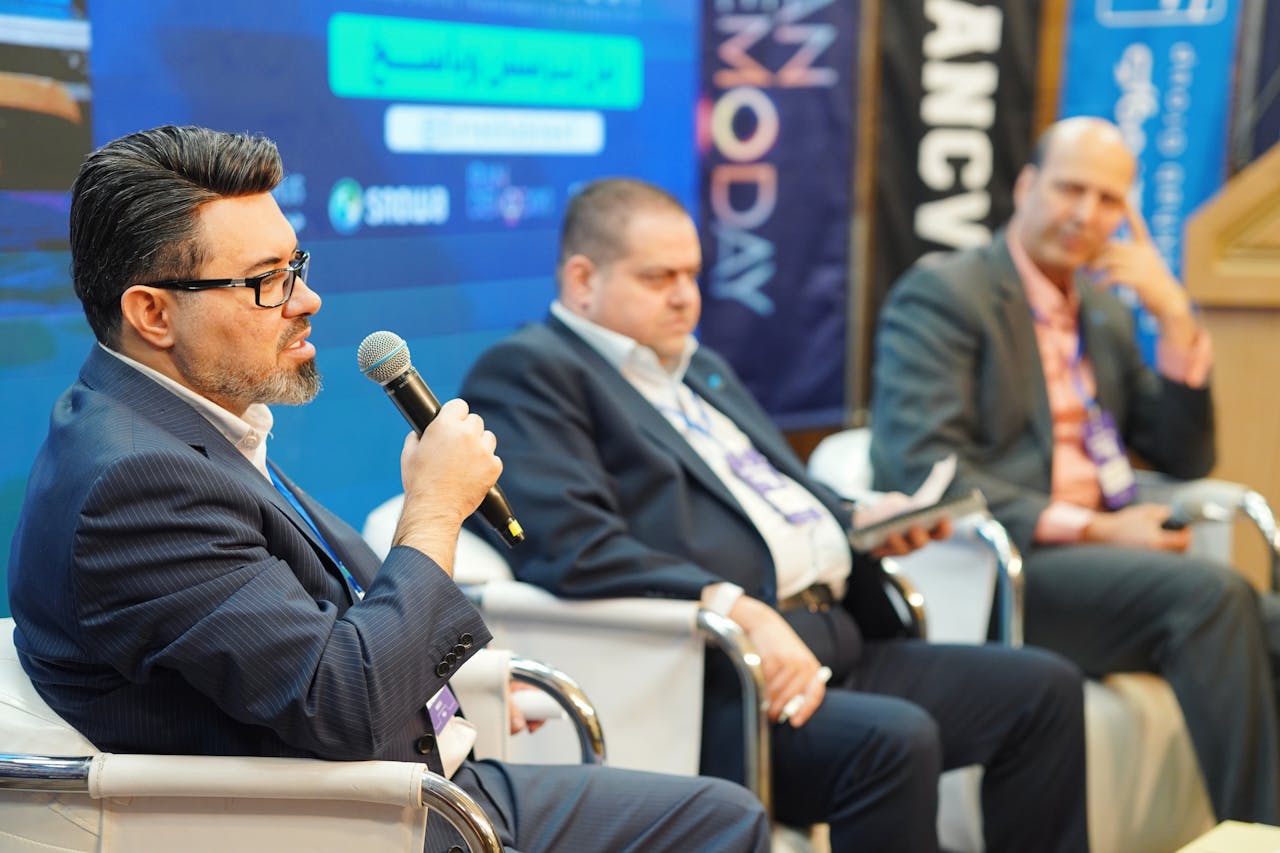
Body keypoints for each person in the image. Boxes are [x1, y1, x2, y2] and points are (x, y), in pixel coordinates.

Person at [6, 126, 772, 853]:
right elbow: (343, 702)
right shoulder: (135, 482)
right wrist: (434, 509)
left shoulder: (174, 422)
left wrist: (457, 703)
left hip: (405, 775)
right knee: (719, 819)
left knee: (711, 807)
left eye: (295, 266)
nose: (306, 301)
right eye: (267, 282)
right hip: (354, 819)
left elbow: (326, 619)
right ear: (152, 312)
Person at [459, 177, 1089, 852]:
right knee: (895, 740)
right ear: (583, 279)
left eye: (693, 274)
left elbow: (777, 495)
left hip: (835, 634)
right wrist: (738, 607)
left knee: (1042, 688)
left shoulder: (697, 369)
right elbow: (571, 545)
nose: (684, 295)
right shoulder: (530, 370)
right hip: (719, 672)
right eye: (658, 277)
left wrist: (865, 519)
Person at [870, 115, 1280, 824]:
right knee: (1212, 598)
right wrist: (1101, 530)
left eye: (1108, 201)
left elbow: (1186, 456)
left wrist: (1176, 317)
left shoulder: (1102, 312)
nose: (1085, 215)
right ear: (1026, 186)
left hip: (1099, 567)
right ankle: (1261, 831)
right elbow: (921, 464)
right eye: (1070, 189)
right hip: (1008, 563)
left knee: (1269, 616)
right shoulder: (947, 295)